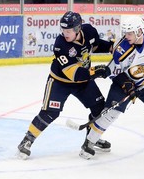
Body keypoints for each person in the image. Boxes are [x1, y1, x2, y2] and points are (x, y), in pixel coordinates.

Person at [17, 11, 113, 159]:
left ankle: (92, 139)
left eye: (68, 30)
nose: (65, 33)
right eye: (63, 30)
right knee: (50, 112)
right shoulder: (61, 44)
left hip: (84, 82)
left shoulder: (89, 31)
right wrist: (96, 71)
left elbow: (95, 45)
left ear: (78, 29)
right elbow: (74, 74)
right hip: (60, 82)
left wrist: (113, 47)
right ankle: (27, 141)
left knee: (99, 108)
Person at [80, 15, 144, 159]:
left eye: (130, 33)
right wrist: (126, 84)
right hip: (124, 84)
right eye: (125, 32)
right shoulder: (121, 49)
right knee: (110, 114)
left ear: (139, 31)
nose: (127, 36)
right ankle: (88, 143)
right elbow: (113, 71)